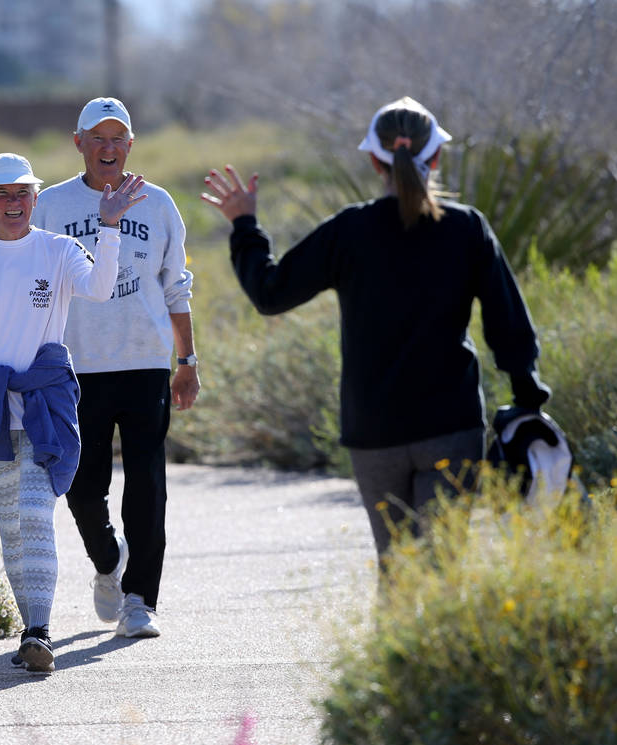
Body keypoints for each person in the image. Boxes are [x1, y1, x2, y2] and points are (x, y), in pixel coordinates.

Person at [200, 97, 552, 571]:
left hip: (374, 431)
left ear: (372, 160)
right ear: (437, 156)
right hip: (451, 427)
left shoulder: (350, 230)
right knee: (441, 570)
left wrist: (245, 225)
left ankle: (397, 648)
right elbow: (507, 324)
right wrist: (527, 395)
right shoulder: (467, 229)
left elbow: (271, 293)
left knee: (398, 570)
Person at [0, 152, 146, 672]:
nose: (13, 203)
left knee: (33, 513)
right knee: (11, 527)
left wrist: (108, 229)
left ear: (36, 198)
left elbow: (100, 287)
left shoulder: (58, 250)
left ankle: (40, 632)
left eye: (22, 193)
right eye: (1, 194)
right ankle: (31, 629)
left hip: (46, 402)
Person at [31, 97, 198, 638]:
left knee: (148, 483)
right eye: (97, 138)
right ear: (78, 143)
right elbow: (31, 285)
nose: (108, 148)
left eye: (118, 138)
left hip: (145, 361)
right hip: (75, 368)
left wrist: (187, 359)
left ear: (131, 144)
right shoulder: (51, 207)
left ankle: (139, 600)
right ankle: (108, 561)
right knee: (80, 484)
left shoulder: (159, 204)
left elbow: (176, 286)